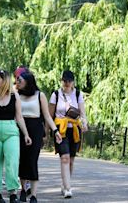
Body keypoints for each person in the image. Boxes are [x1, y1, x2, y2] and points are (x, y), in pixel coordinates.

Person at [0, 69, 32, 203]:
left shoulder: (15, 96)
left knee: (12, 161)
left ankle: (13, 193)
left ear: (5, 81)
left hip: (11, 131)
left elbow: (19, 117)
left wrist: (26, 134)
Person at [16, 70, 62, 203]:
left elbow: (47, 115)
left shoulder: (39, 95)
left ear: (28, 82)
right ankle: (23, 190)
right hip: (20, 127)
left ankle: (34, 194)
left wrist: (55, 130)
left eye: (20, 81)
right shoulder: (18, 95)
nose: (18, 83)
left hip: (35, 127)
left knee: (32, 160)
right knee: (22, 159)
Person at [48, 70, 88, 198]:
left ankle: (65, 183)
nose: (66, 83)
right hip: (61, 129)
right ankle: (67, 188)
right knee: (64, 158)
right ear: (61, 81)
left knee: (71, 160)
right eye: (64, 80)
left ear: (73, 82)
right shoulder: (55, 94)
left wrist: (85, 122)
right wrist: (48, 131)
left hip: (74, 129)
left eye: (69, 81)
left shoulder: (77, 94)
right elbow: (49, 115)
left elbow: (82, 113)